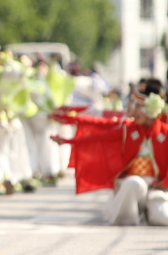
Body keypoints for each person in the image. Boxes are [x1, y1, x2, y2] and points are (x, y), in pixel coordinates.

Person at [51, 80, 168, 226]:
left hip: (156, 187)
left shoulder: (164, 131)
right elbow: (98, 131)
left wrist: (164, 183)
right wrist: (69, 138)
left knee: (162, 218)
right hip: (133, 184)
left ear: (150, 109)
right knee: (134, 183)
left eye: (138, 105)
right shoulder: (129, 128)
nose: (132, 109)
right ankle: (131, 216)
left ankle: (149, 211)